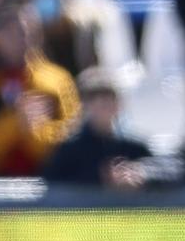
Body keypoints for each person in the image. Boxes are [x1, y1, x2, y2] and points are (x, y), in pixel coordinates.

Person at [0, 0, 80, 177]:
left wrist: (36, 131)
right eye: (13, 33)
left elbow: (69, 144)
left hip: (46, 185)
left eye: (30, 33)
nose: (23, 40)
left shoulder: (56, 80)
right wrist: (16, 121)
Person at [45, 66, 176, 189]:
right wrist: (100, 177)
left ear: (119, 103)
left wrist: (142, 173)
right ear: (83, 105)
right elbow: (50, 182)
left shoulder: (133, 146)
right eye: (93, 96)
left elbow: (173, 171)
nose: (103, 102)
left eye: (109, 96)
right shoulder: (70, 149)